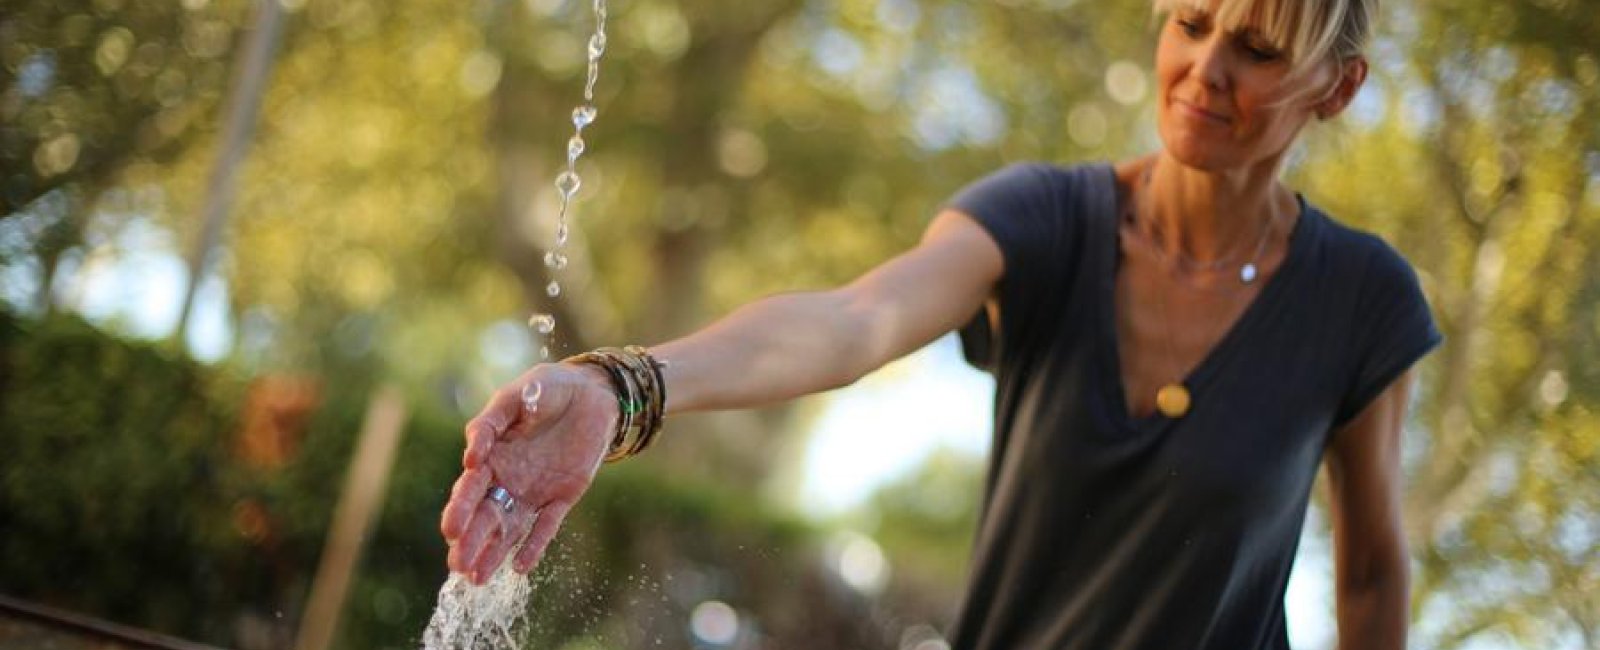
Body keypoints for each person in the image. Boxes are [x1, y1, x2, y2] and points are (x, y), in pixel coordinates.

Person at [441, 0, 1442, 646]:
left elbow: (1367, 570)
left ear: (1337, 86)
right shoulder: (1047, 218)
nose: (1205, 69)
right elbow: (854, 321)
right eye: (1191, 23)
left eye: (1256, 50)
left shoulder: (1364, 300)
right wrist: (622, 385)